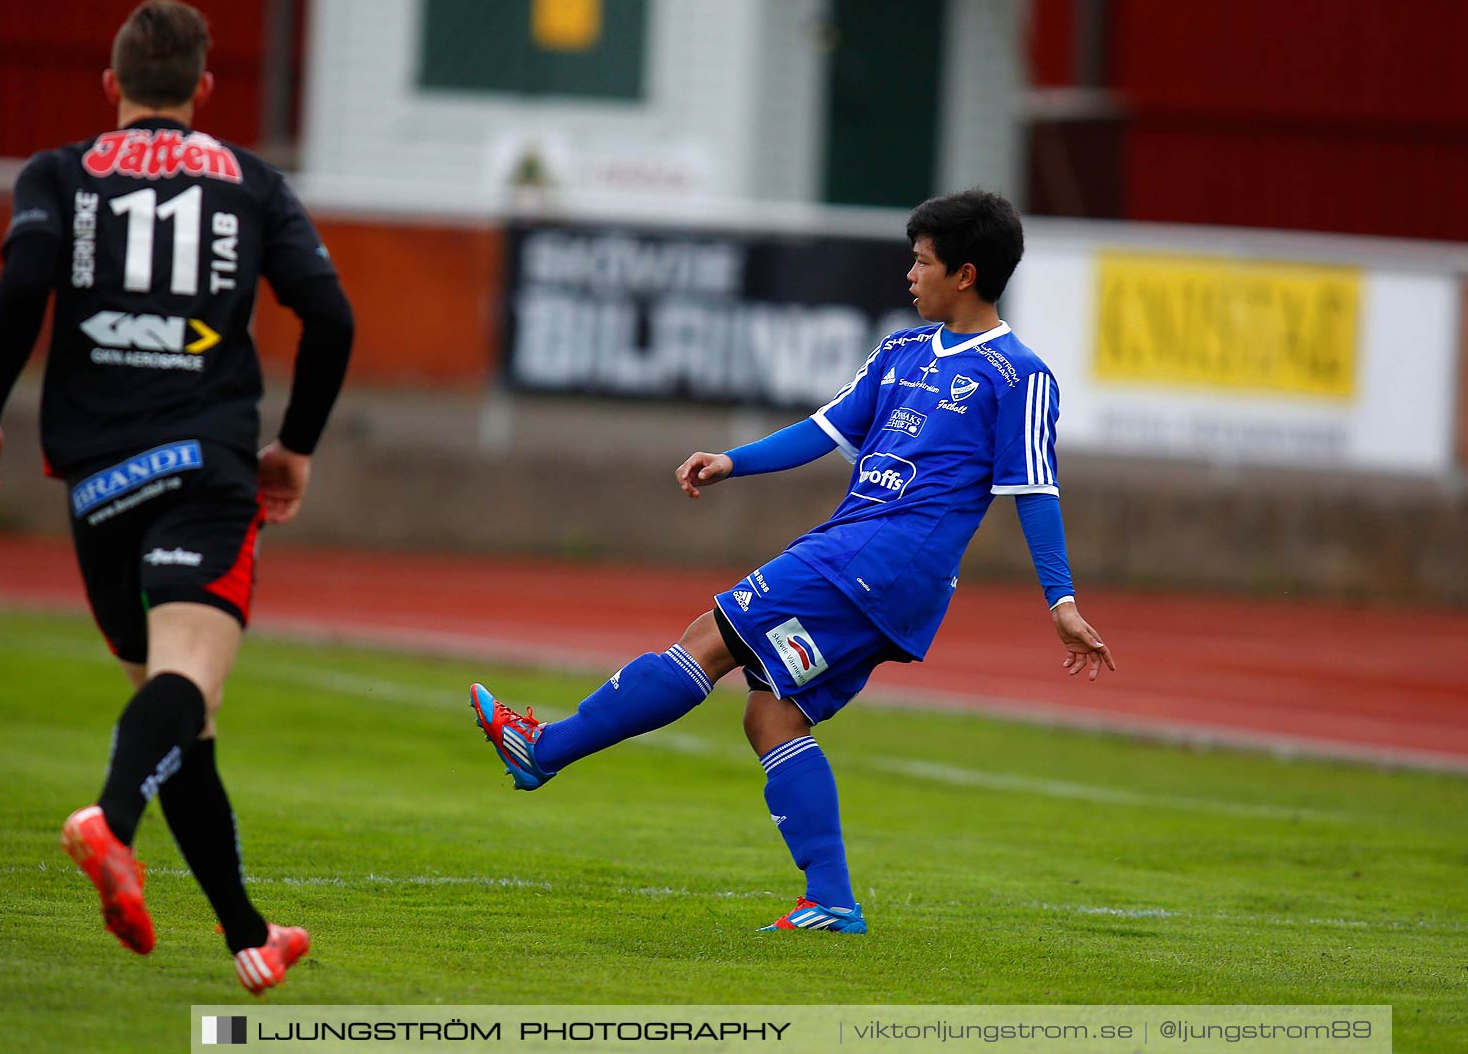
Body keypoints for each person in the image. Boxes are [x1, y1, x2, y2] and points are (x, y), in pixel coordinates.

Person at [470, 188, 1112, 933]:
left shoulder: (1016, 373)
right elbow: (823, 431)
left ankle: (543, 748)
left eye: (922, 261)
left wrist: (1061, 602)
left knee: (706, 640)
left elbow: (1034, 488)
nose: (910, 274)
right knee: (773, 715)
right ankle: (832, 901)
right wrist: (732, 461)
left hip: (874, 561)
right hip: (872, 569)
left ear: (964, 274)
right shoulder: (901, 352)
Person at [0, 0, 353, 992]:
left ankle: (247, 934)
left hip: (97, 478)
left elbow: (22, 287)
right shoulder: (253, 184)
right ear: (205, 90)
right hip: (206, 463)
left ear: (112, 85)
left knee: (179, 713)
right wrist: (295, 446)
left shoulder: (58, 173)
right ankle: (109, 821)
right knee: (189, 687)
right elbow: (331, 319)